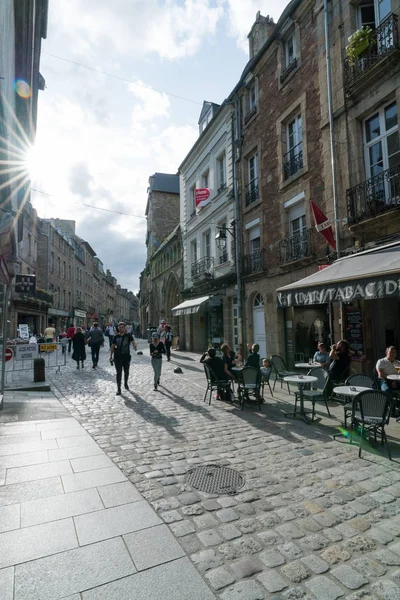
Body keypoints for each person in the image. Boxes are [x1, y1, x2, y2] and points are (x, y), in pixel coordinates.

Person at [110, 322, 136, 395]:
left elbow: (133, 341)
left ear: (125, 328)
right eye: (120, 327)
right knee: (118, 373)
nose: (121, 329)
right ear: (118, 328)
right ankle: (119, 389)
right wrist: (111, 356)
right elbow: (112, 346)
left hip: (126, 357)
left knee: (126, 371)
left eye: (122, 327)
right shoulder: (116, 337)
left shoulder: (128, 336)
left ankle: (125, 383)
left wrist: (134, 346)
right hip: (117, 357)